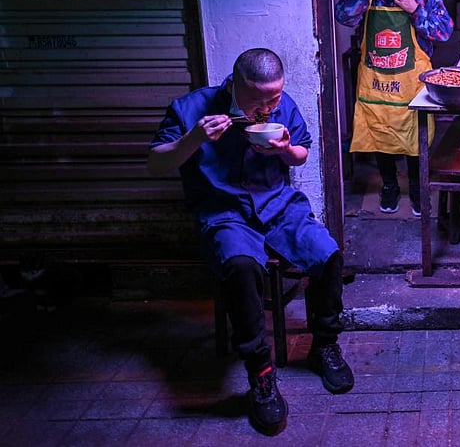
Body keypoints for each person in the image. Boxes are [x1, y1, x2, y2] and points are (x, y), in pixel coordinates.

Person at [147, 48, 353, 436]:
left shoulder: (282, 105)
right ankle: (260, 373)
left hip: (279, 207)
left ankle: (324, 345)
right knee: (242, 268)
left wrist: (285, 149)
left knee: (328, 254)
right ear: (234, 84)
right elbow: (155, 162)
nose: (267, 107)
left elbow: (300, 155)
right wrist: (194, 138)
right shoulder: (192, 108)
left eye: (273, 98)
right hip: (225, 213)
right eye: (258, 99)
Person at [335, 0, 454, 216]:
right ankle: (389, 186)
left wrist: (415, 11)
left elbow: (445, 31)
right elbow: (343, 15)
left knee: (415, 137)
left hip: (412, 83)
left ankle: (415, 189)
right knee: (380, 135)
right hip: (377, 83)